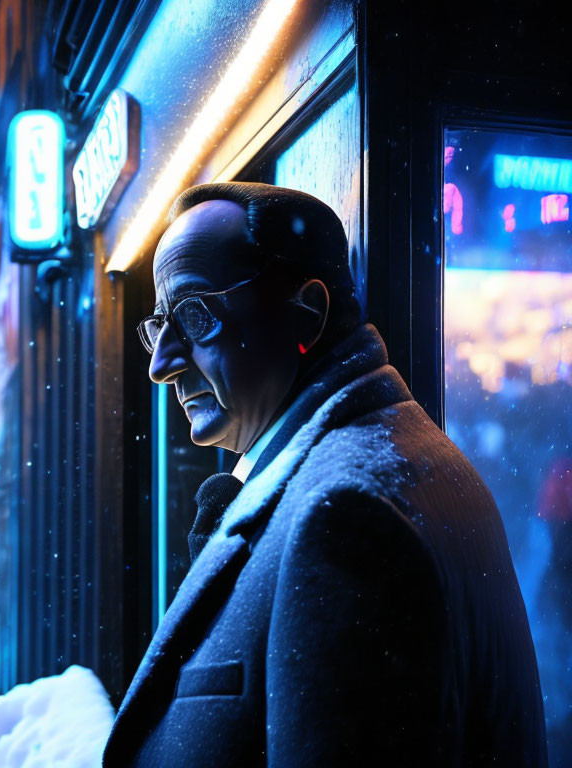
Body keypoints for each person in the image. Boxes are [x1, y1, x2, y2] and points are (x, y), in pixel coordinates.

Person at [102, 182, 547, 766]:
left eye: (194, 314)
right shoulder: (389, 465)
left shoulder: (344, 519)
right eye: (161, 325)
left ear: (305, 316)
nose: (162, 364)